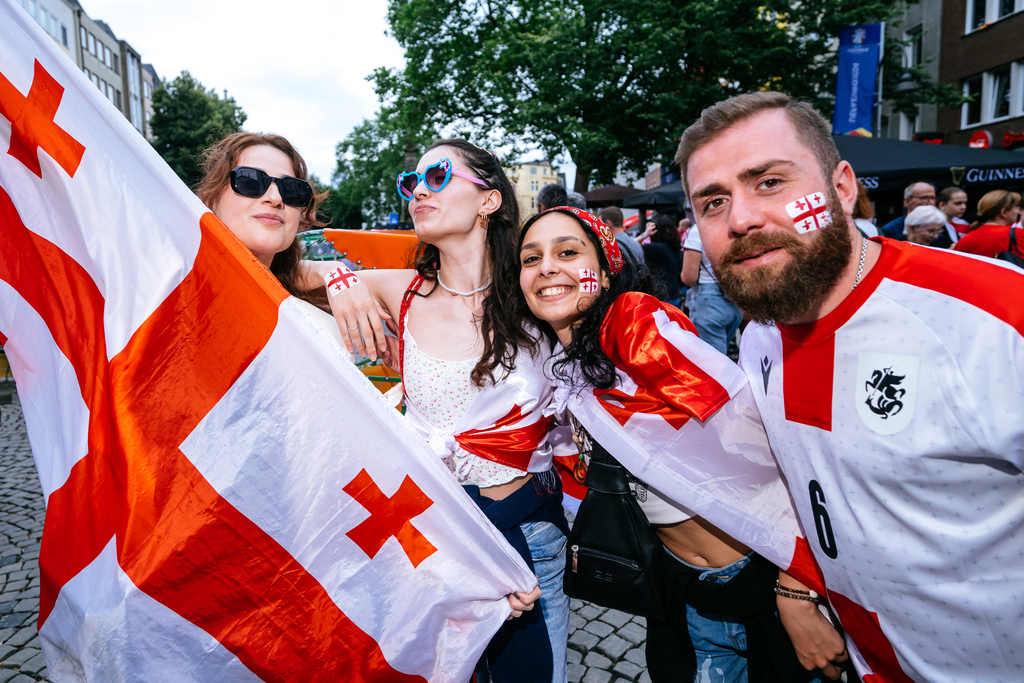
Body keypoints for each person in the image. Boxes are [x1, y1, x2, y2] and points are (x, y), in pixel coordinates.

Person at [676, 90, 1024, 682]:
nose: (740, 219)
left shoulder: (996, 316)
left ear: (841, 188)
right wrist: (798, 586)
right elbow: (812, 480)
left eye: (769, 182)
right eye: (713, 201)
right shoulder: (760, 334)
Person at [517, 206, 844, 682]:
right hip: (681, 595)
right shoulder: (555, 368)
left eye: (568, 252)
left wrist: (796, 591)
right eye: (530, 259)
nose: (546, 266)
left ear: (606, 274)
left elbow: (775, 444)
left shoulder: (633, 325)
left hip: (765, 580)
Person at [305, 139, 567, 683]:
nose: (419, 189)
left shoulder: (536, 291)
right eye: (411, 183)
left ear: (489, 199)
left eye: (439, 175)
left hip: (523, 534)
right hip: (432, 535)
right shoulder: (403, 291)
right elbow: (286, 269)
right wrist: (340, 276)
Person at [195, 132, 328, 310]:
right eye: (250, 181)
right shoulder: (166, 289)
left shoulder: (308, 317)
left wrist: (334, 275)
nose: (275, 198)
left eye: (291, 189)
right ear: (211, 199)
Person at [680, 223, 742, 355]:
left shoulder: (698, 231)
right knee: (722, 358)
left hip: (708, 301)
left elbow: (688, 278)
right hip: (734, 298)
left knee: (712, 364)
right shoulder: (733, 227)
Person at [953, 189, 1024, 261]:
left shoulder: (963, 240)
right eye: (1015, 208)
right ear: (1004, 212)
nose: (1018, 211)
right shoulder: (1018, 234)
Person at [642, 214, 683, 306]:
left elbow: (628, 248)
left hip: (660, 299)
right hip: (674, 297)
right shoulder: (675, 248)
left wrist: (644, 234)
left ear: (655, 231)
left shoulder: (655, 248)